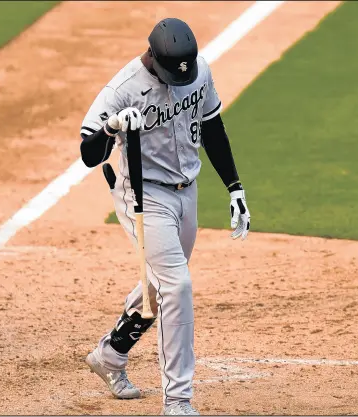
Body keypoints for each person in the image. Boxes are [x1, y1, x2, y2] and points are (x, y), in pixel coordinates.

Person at [79, 17, 250, 415]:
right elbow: (89, 154)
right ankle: (179, 401)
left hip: (186, 192)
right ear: (153, 58)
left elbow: (212, 126)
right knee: (177, 287)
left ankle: (110, 356)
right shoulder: (123, 89)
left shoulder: (198, 71)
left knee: (160, 286)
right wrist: (112, 127)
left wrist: (235, 186)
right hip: (144, 195)